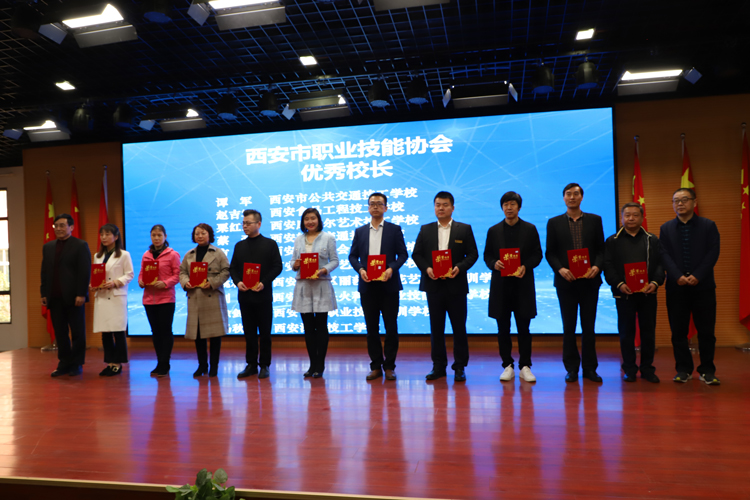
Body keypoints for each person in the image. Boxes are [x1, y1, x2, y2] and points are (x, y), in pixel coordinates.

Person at [412, 191, 478, 382]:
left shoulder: (463, 229)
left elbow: (472, 254)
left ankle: (459, 366)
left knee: (459, 328)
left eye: (445, 204)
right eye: (438, 205)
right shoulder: (425, 229)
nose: (441, 208)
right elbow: (417, 254)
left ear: (452, 208)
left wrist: (459, 267)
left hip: (456, 285)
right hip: (433, 285)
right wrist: (427, 269)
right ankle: (438, 366)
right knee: (436, 328)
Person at [659, 188, 721, 385]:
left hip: (703, 287)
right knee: (678, 332)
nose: (680, 203)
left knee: (706, 332)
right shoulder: (666, 228)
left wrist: (698, 275)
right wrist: (677, 276)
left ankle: (707, 370)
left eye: (684, 199)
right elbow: (664, 254)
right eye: (676, 200)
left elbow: (713, 252)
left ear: (694, 202)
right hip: (676, 288)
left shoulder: (708, 225)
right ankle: (683, 369)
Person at [545, 182, 605, 383]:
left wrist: (597, 266)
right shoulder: (554, 223)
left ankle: (590, 369)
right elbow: (550, 252)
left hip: (589, 281)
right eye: (568, 194)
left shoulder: (595, 220)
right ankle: (571, 368)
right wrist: (560, 269)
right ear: (564, 198)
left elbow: (601, 250)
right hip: (566, 282)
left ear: (582, 197)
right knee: (568, 327)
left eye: (576, 194)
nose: (572, 197)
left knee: (589, 327)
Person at [483, 191, 543, 383]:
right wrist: (494, 264)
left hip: (522, 285)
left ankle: (525, 366)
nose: (509, 208)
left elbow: (537, 254)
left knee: (524, 328)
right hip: (501, 287)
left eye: (512, 204)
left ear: (519, 207)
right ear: (502, 207)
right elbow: (487, 255)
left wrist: (526, 266)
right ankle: (507, 365)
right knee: (503, 328)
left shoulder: (530, 229)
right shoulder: (493, 230)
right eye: (505, 204)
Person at [348, 192, 408, 381]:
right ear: (368, 207)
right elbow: (352, 256)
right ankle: (375, 366)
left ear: (385, 208)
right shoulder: (360, 231)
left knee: (391, 327)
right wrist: (360, 269)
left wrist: (391, 268)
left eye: (379, 203)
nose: (375, 206)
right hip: (368, 287)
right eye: (372, 203)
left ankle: (389, 366)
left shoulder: (394, 229)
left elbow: (403, 254)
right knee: (371, 329)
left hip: (389, 285)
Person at [603, 203, 664, 383]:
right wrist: (619, 284)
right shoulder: (612, 241)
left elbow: (660, 264)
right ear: (622, 218)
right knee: (626, 333)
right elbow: (608, 265)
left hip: (647, 293)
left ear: (642, 217)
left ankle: (647, 369)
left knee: (648, 333)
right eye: (627, 215)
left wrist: (655, 282)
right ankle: (629, 368)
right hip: (624, 293)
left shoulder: (652, 239)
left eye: (635, 215)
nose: (631, 218)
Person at [230, 209, 283, 380]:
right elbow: (233, 268)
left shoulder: (270, 244)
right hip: (245, 296)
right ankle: (251, 364)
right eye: (243, 223)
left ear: (258, 224)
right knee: (249, 332)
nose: (245, 226)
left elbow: (278, 266)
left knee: (265, 333)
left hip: (263, 295)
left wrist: (264, 282)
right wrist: (238, 282)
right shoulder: (239, 246)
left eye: (248, 223)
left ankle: (265, 365)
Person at [41, 214, 91, 377]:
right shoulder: (48, 247)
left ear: (71, 227)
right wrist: (43, 292)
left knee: (77, 332)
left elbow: (84, 272)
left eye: (62, 225)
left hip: (74, 298)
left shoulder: (80, 245)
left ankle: (77, 363)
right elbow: (44, 271)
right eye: (56, 226)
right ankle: (64, 362)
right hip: (54, 297)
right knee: (60, 333)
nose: (59, 229)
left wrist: (81, 293)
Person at [291, 208, 339, 378]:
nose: (310, 222)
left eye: (313, 218)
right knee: (308, 328)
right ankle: (312, 365)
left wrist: (323, 270)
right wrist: (295, 264)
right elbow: (292, 262)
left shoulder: (328, 238)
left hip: (321, 285)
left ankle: (320, 364)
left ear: (318, 220)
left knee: (321, 326)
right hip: (303, 286)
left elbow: (335, 261)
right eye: (306, 219)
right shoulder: (298, 239)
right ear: (303, 222)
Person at [179, 223, 230, 377]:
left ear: (210, 235)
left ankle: (214, 366)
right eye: (197, 233)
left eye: (203, 233)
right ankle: (202, 365)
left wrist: (212, 283)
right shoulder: (189, 254)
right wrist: (185, 282)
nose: (200, 236)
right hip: (195, 297)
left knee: (214, 335)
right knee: (198, 335)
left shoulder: (218, 253)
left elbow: (226, 271)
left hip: (212, 296)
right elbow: (182, 272)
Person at [91, 224, 134, 377]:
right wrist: (93, 285)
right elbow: (96, 275)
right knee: (106, 332)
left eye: (107, 234)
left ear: (116, 237)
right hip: (102, 296)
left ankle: (118, 363)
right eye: (102, 234)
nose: (104, 237)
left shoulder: (124, 255)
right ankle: (109, 363)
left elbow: (129, 274)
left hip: (116, 296)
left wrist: (115, 282)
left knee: (118, 331)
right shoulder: (97, 256)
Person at [138, 224, 181, 377]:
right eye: (153, 235)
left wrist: (165, 283)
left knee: (165, 331)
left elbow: (178, 275)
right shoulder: (146, 255)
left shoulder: (172, 254)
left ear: (165, 236)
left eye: (159, 235)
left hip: (166, 298)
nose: (156, 238)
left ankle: (165, 363)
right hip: (149, 299)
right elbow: (142, 273)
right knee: (155, 332)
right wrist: (141, 281)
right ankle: (159, 362)